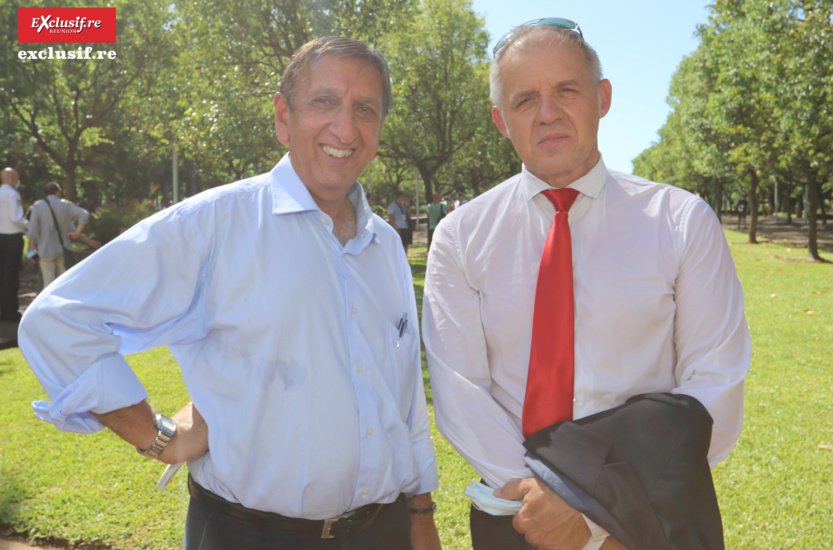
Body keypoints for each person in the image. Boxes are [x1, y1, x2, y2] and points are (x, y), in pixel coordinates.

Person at [20, 36, 441, 550]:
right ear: (283, 117)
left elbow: (404, 398)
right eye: (324, 102)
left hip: (385, 531)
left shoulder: (385, 248)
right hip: (250, 536)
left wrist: (420, 513)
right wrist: (151, 433)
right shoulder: (214, 226)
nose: (346, 128)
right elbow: (58, 320)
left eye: (365, 109)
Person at [422, 18, 750, 550]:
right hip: (515, 516)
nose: (547, 112)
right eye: (525, 99)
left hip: (650, 521)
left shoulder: (681, 221)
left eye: (566, 90)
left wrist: (595, 519)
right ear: (501, 120)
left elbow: (715, 390)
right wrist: (544, 505)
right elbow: (461, 394)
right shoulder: (460, 237)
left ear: (602, 98)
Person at [27, 182, 90, 288]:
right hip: (63, 251)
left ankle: (49, 304)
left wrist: (30, 254)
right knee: (63, 285)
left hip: (45, 252)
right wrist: (77, 232)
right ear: (57, 192)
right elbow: (84, 214)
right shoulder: (66, 204)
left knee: (48, 285)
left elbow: (32, 232)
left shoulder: (38, 206)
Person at [0, 167, 28, 322]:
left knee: (2, 276)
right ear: (12, 179)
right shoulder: (12, 194)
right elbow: (16, 217)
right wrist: (31, 225)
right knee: (11, 276)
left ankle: (5, 311)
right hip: (12, 238)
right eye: (17, 178)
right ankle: (11, 312)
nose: (18, 181)